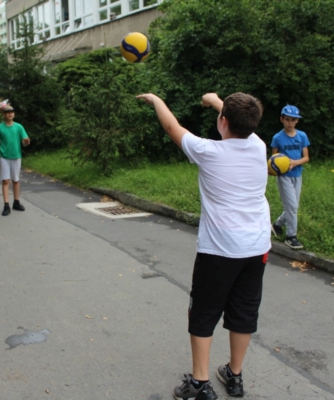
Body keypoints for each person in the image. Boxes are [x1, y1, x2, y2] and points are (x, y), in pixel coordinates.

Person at [136, 92, 271, 400]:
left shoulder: (208, 151)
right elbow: (239, 120)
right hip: (256, 247)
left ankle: (200, 384)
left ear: (223, 121)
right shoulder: (258, 145)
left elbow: (173, 127)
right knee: (244, 311)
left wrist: (157, 100)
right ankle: (234, 376)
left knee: (203, 312)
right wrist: (216, 101)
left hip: (220, 250)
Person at [270, 105, 310, 250]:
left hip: (297, 175)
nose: (290, 123)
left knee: (293, 206)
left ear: (297, 121)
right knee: (292, 207)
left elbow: (306, 158)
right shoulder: (278, 138)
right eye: (287, 119)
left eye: (293, 120)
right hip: (284, 177)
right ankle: (291, 236)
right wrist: (272, 170)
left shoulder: (302, 136)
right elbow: (273, 160)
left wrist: (295, 163)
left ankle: (277, 225)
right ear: (282, 119)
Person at [0, 105, 30, 216]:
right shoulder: (0, 127)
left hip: (16, 156)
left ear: (14, 114)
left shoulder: (19, 127)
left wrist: (26, 141)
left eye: (11, 112)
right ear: (3, 115)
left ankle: (16, 202)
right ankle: (6, 205)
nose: (9, 114)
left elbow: (24, 142)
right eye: (7, 112)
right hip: (4, 157)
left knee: (15, 180)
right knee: (6, 181)